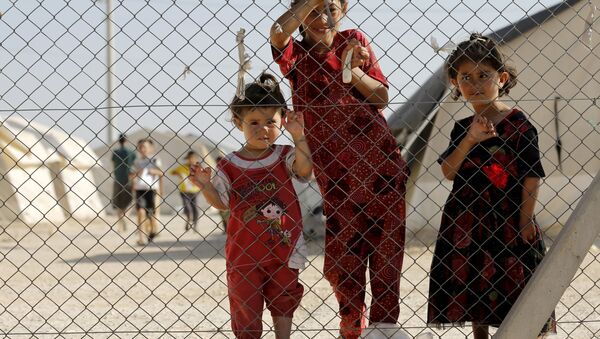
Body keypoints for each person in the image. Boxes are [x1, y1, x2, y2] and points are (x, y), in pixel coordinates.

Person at [270, 1, 408, 337]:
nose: (322, 18)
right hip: (338, 177)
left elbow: (381, 97)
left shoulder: (354, 40)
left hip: (380, 168)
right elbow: (277, 33)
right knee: (344, 259)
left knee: (386, 254)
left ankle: (385, 328)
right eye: (313, 9)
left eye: (330, 7)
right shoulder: (297, 57)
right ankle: (353, 326)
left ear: (343, 9)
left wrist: (354, 71)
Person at [427, 33, 557, 339]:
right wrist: (471, 139)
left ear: (501, 78)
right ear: (456, 83)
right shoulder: (462, 128)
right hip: (468, 222)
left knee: (518, 284)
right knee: (475, 286)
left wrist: (525, 219)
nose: (474, 84)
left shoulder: (519, 124)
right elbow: (448, 171)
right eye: (465, 77)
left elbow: (531, 175)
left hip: (510, 220)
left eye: (483, 75)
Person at [190, 72, 313, 339]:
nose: (263, 129)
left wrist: (299, 137)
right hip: (244, 254)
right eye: (254, 122)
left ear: (282, 120)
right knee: (245, 306)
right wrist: (206, 185)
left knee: (284, 297)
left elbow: (304, 169)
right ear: (238, 123)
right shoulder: (229, 164)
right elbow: (222, 203)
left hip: (283, 246)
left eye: (271, 121)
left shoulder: (283, 155)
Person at [130, 138, 163, 246]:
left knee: (151, 213)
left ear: (150, 148)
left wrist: (153, 171)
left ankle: (152, 230)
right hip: (140, 189)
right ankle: (141, 237)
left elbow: (161, 173)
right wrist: (137, 173)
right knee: (140, 212)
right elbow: (131, 176)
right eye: (140, 147)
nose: (142, 149)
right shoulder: (136, 162)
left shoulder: (155, 160)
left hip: (151, 189)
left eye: (144, 147)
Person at [170, 151, 201, 231]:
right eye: (190, 158)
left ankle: (195, 225)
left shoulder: (198, 168)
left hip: (195, 191)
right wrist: (178, 174)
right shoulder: (182, 167)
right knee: (187, 208)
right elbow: (172, 172)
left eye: (193, 158)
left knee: (195, 208)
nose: (191, 160)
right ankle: (188, 219)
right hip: (184, 191)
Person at [111, 133, 136, 232]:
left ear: (118, 141)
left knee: (118, 203)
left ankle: (120, 224)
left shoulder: (115, 152)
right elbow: (133, 165)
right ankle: (125, 217)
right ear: (127, 140)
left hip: (118, 179)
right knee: (129, 201)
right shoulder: (131, 152)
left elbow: (113, 163)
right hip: (129, 180)